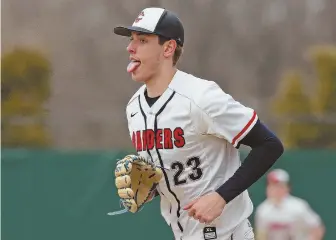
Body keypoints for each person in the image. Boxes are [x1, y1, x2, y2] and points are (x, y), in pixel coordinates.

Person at [114, 7, 284, 240]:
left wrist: (221, 196)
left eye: (142, 40)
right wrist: (149, 189)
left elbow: (269, 144)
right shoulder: (134, 108)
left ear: (168, 48)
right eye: (131, 40)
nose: (130, 48)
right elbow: (172, 173)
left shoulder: (201, 97)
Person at [254, 169, 325, 240]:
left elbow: (317, 228)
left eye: (279, 186)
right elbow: (261, 236)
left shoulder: (299, 206)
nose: (275, 189)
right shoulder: (263, 210)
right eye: (271, 185)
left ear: (287, 187)